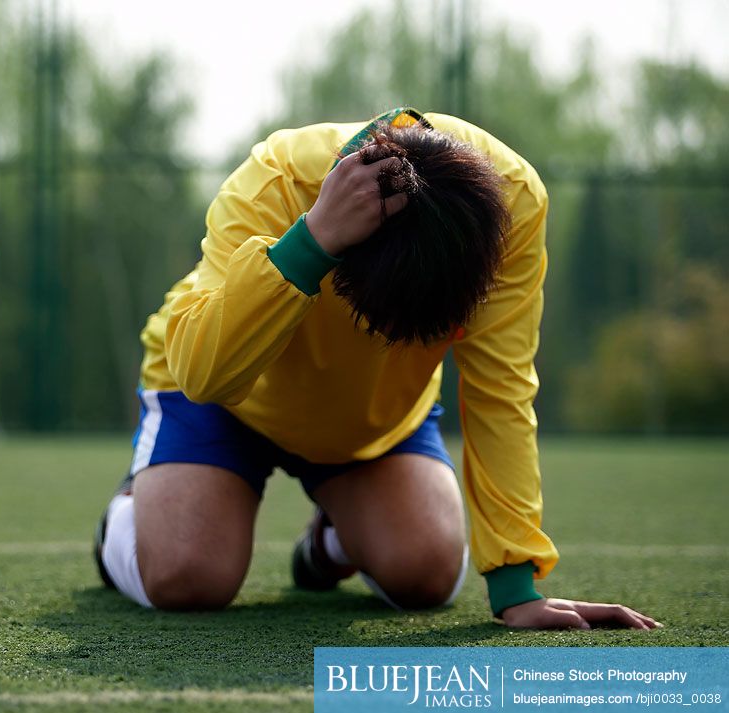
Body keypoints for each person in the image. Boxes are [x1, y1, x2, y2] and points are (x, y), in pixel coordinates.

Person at [91, 107, 661, 631]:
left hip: (373, 420)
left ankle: (330, 543)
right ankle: (123, 521)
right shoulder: (279, 177)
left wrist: (516, 583)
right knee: (189, 578)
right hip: (226, 398)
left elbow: (501, 388)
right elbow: (204, 375)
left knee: (426, 576)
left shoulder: (517, 208)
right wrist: (312, 241)